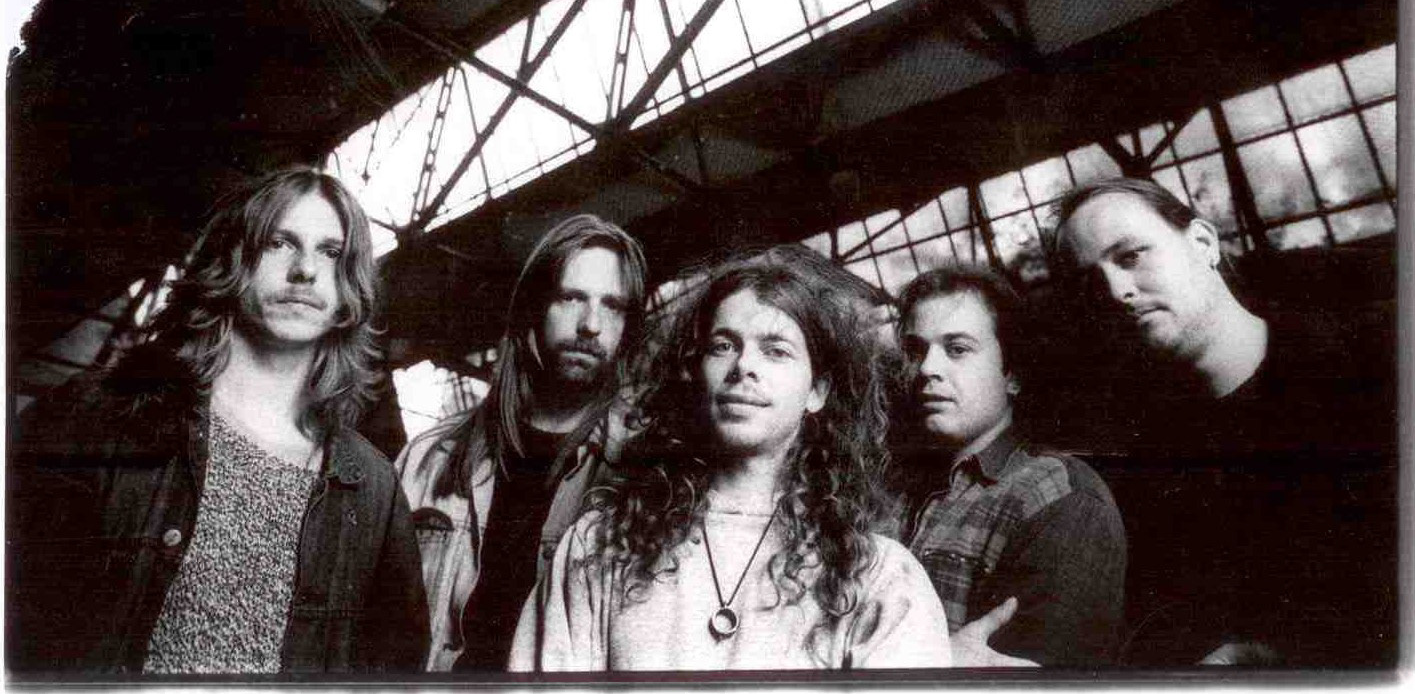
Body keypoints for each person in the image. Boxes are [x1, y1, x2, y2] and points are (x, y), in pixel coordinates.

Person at [8, 167, 428, 674]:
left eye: (331, 253)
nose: (305, 270)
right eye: (279, 243)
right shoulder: (101, 412)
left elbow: (393, 669)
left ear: (349, 288)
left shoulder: (372, 486)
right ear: (233, 260)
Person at [509, 247, 952, 671]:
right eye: (723, 346)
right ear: (694, 373)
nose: (744, 367)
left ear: (817, 391)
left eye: (776, 350)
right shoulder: (599, 545)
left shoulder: (880, 577)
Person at [1051, 177, 1397, 667]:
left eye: (1130, 256)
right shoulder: (1144, 456)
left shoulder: (1375, 367)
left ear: (1202, 243)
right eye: (1090, 281)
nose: (1116, 291)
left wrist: (1273, 652)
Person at [396, 214, 648, 671]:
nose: (591, 324)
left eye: (612, 306)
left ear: (628, 328)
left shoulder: (643, 474)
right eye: (571, 297)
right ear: (534, 307)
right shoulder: (426, 459)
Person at [889, 265, 1126, 666]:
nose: (927, 368)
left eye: (957, 349)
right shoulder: (891, 487)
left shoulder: (1061, 499)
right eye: (916, 350)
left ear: (1012, 374)